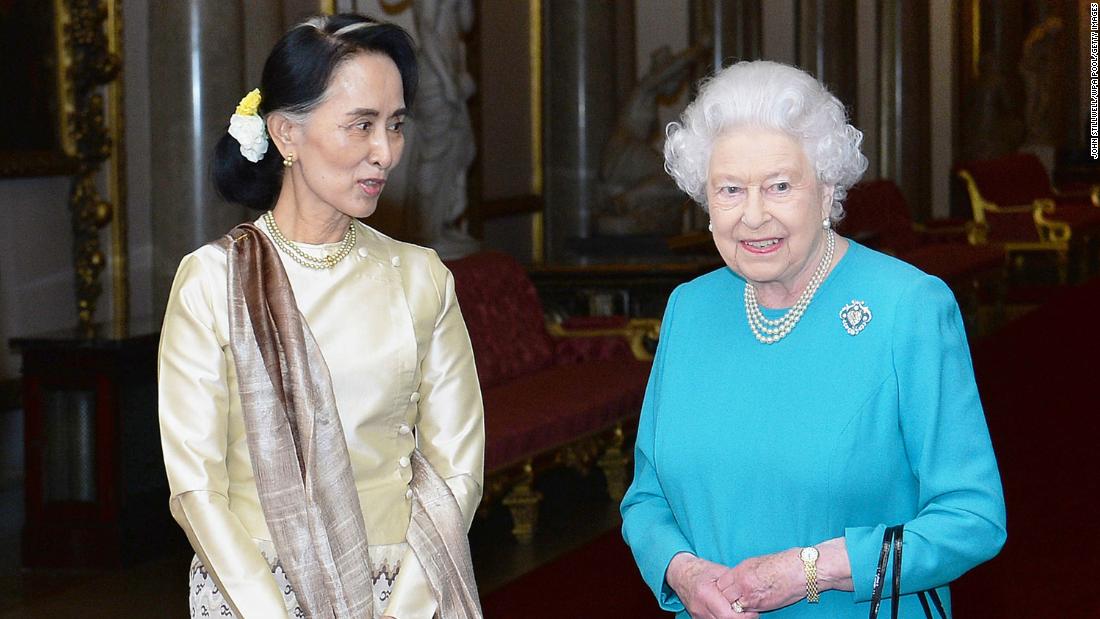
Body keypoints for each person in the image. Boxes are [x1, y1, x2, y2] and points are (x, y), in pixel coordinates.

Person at [620, 60, 1006, 619]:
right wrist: (682, 571)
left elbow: (973, 518)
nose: (753, 216)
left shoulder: (908, 308)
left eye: (779, 186)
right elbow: (646, 498)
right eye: (730, 190)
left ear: (826, 192)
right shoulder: (690, 309)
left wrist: (811, 570)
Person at [158, 13, 484, 619]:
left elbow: (456, 470)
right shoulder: (213, 281)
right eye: (360, 126)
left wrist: (402, 607)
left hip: (402, 588)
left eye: (395, 126)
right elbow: (197, 487)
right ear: (285, 133)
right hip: (254, 593)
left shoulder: (421, 278)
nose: (384, 153)